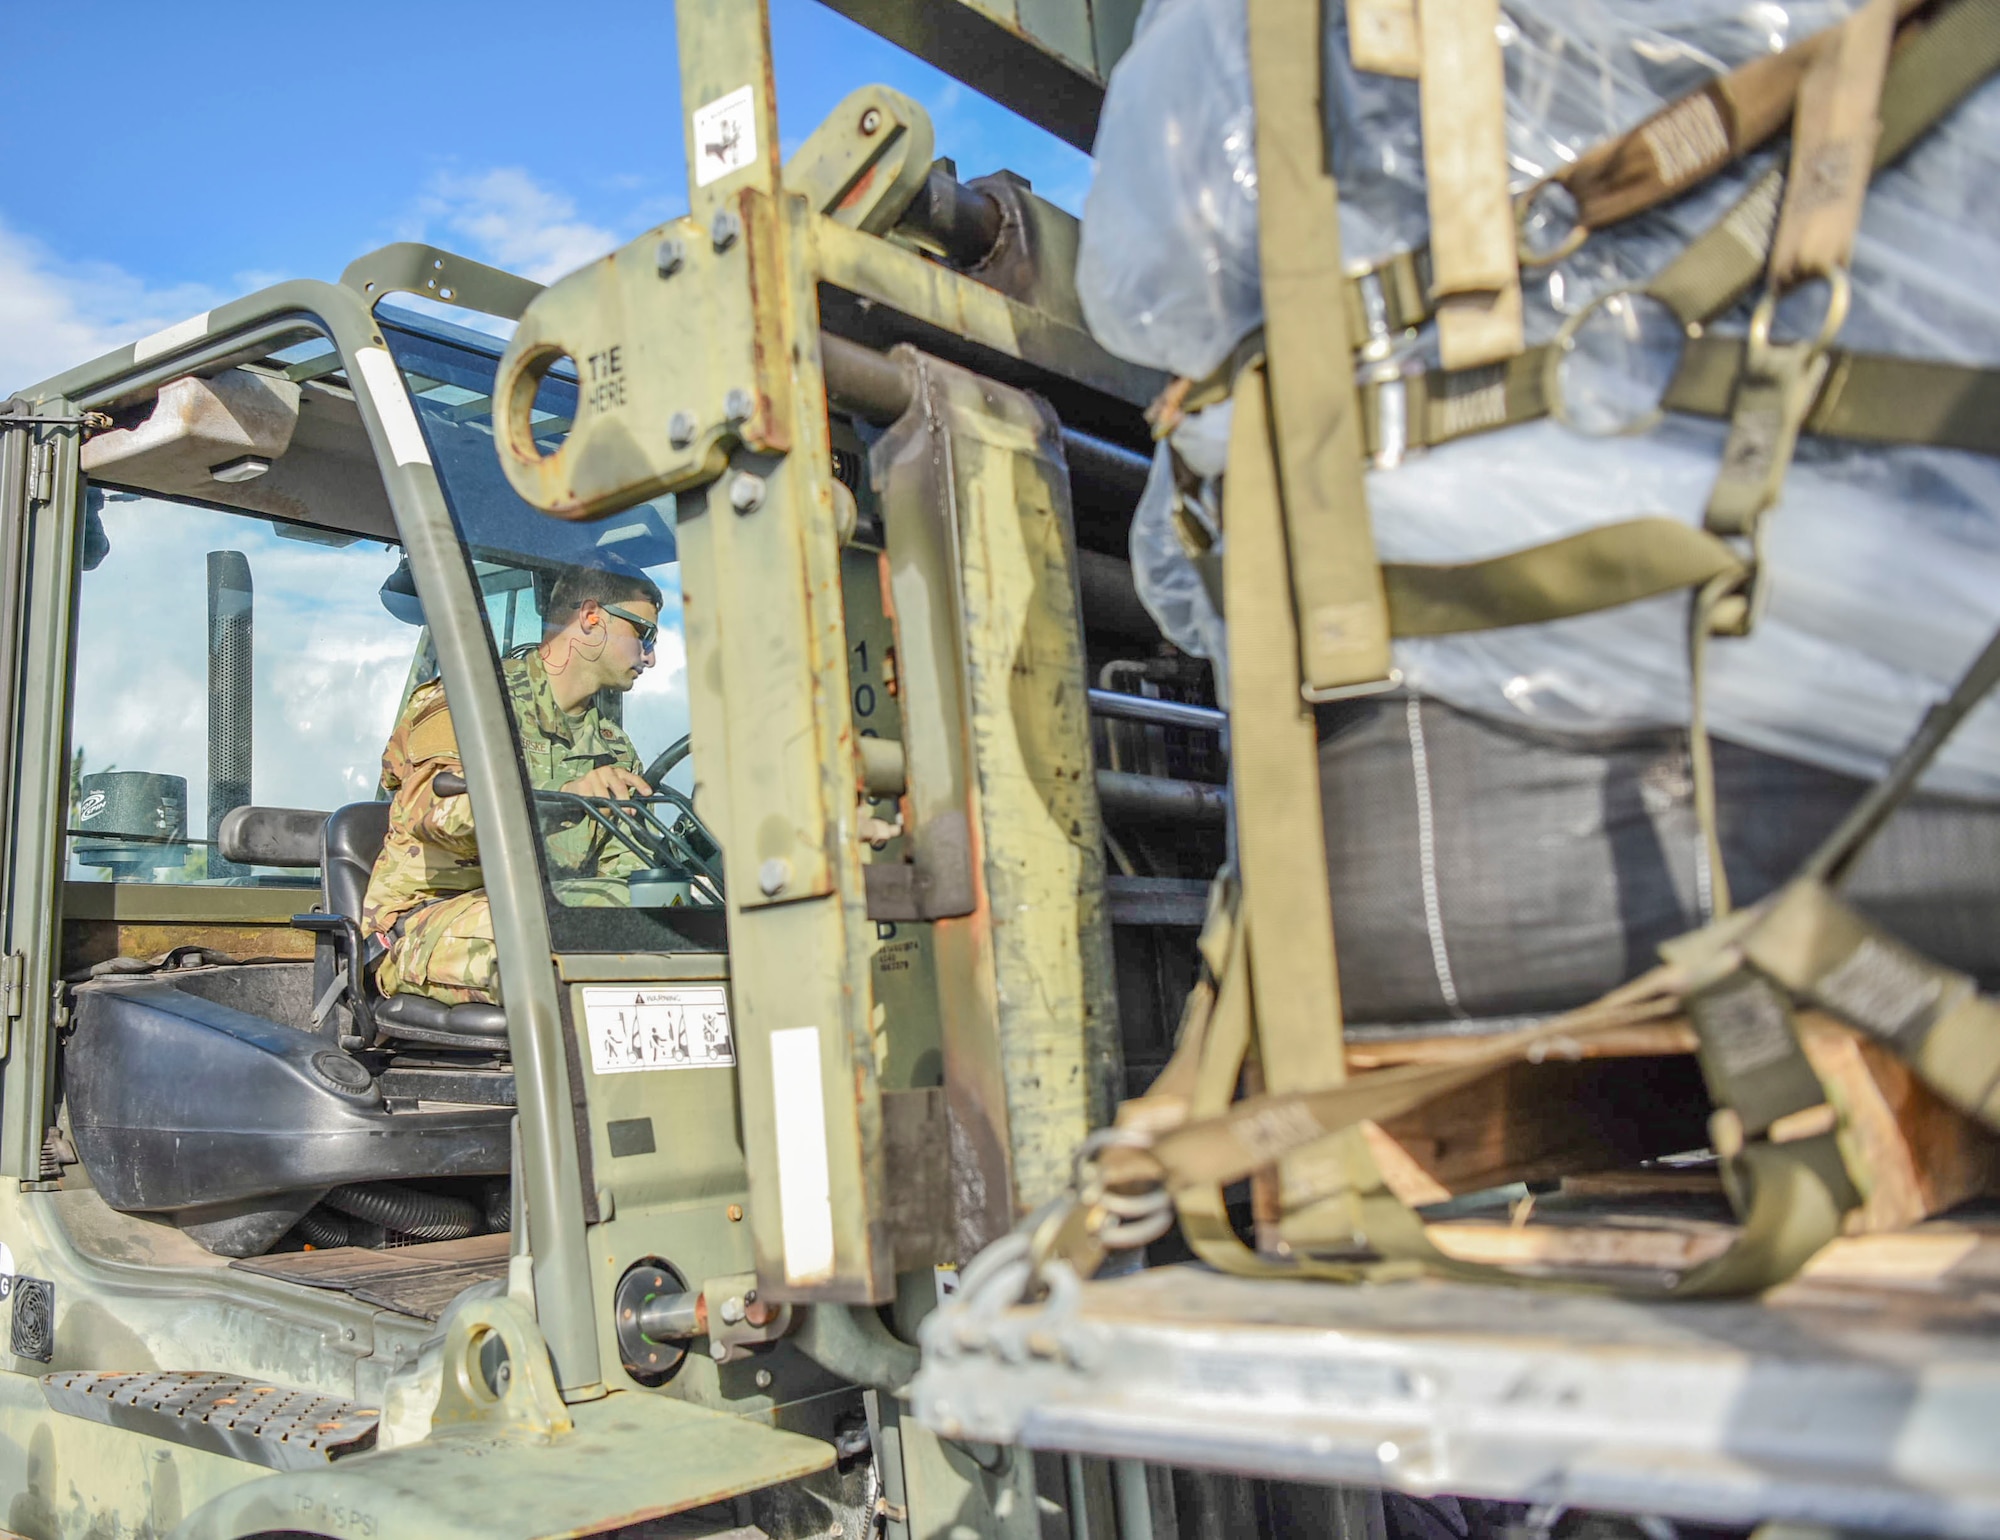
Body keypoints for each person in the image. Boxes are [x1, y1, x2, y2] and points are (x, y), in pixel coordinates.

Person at [361, 557, 662, 1006]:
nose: (651, 657)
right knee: (546, 938)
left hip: (551, 911)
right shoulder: (470, 701)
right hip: (426, 922)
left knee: (672, 927)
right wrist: (564, 800)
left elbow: (625, 871)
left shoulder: (614, 748)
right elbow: (433, 814)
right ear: (591, 618)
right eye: (645, 634)